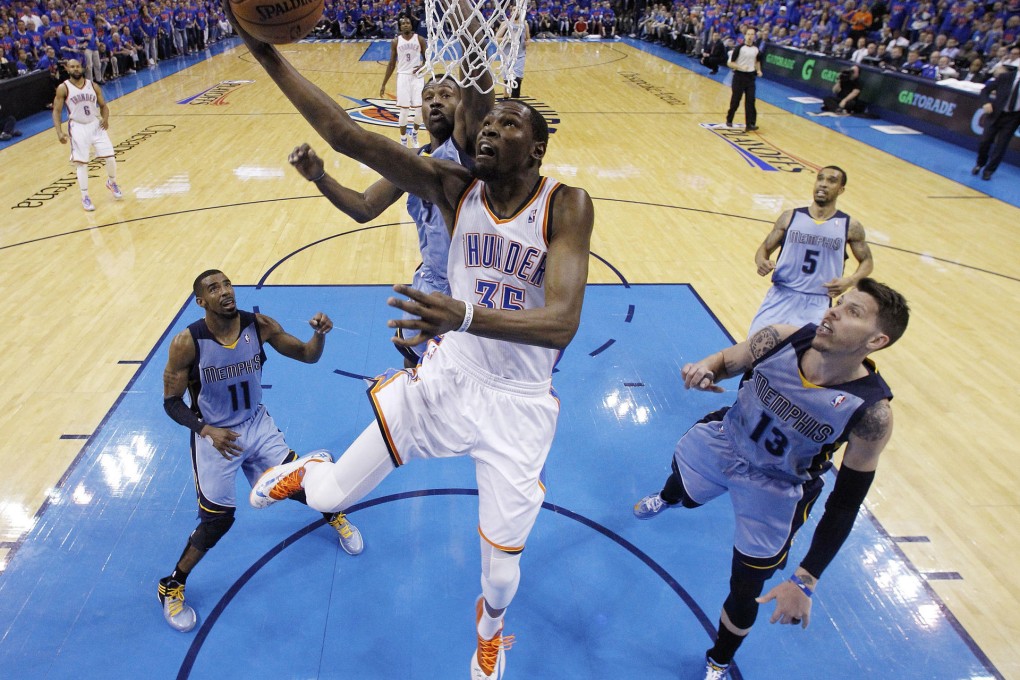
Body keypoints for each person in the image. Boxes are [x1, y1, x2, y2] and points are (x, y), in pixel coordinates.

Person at [224, 4, 595, 677]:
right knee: (333, 496)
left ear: (537, 149)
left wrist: (463, 316)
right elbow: (344, 135)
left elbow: (563, 320)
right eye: (487, 123)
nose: (490, 130)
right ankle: (305, 469)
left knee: (502, 577)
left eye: (509, 124)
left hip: (518, 403)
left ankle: (489, 633)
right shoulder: (452, 187)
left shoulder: (566, 204)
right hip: (448, 379)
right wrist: (263, 53)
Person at [633, 278, 910, 680]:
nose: (832, 310)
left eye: (853, 312)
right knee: (682, 482)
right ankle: (670, 498)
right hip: (725, 441)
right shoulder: (780, 338)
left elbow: (845, 502)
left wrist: (807, 578)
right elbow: (727, 361)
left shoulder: (871, 413)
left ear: (877, 340)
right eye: (839, 302)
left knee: (746, 587)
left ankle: (720, 658)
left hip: (777, 489)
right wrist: (705, 368)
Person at [158, 269, 364, 632]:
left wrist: (318, 335)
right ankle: (171, 585)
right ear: (201, 301)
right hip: (215, 435)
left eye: (226, 283)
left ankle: (333, 514)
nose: (225, 292)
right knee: (217, 521)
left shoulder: (260, 325)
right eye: (213, 288)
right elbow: (172, 403)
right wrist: (206, 430)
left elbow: (307, 355)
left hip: (256, 423)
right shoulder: (187, 343)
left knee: (302, 482)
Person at [288, 72, 492, 367]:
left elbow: (477, 95)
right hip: (430, 284)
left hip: (472, 288)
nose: (436, 101)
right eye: (428, 96)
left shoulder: (466, 149)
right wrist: (319, 176)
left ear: (462, 106)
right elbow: (364, 206)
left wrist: (470, 33)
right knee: (415, 378)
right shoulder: (414, 161)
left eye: (446, 95)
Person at [749, 166, 874, 335]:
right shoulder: (790, 217)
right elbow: (764, 248)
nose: (823, 184)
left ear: (841, 189)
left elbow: (867, 262)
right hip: (781, 294)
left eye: (831, 181)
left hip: (818, 302)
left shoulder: (850, 226)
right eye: (820, 179)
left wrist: (850, 281)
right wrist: (761, 262)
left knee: (803, 357)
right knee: (753, 349)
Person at [52, 58, 122, 212]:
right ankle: (85, 196)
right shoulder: (63, 88)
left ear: (82, 68)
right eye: (72, 67)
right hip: (77, 127)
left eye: (78, 66)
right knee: (81, 163)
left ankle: (112, 182)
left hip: (95, 124)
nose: (76, 69)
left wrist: (106, 119)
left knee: (110, 157)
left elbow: (103, 106)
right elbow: (56, 111)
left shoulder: (93, 85)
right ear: (68, 69)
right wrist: (59, 132)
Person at [379, 17, 426, 147]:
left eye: (407, 23)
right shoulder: (395, 42)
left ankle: (414, 133)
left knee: (419, 111)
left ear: (411, 25)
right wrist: (384, 84)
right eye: (403, 23)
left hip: (417, 77)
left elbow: (428, 59)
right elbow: (391, 63)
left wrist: (422, 66)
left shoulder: (420, 40)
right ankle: (403, 139)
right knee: (404, 111)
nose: (405, 25)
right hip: (403, 77)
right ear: (400, 27)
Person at [972, 65, 1020, 180]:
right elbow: (985, 90)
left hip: (1014, 117)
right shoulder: (1005, 77)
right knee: (985, 141)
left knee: (1001, 145)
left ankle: (989, 170)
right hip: (997, 113)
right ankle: (980, 163)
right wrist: (986, 102)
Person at [726, 27, 762, 130]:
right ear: (745, 36)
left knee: (751, 100)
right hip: (739, 76)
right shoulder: (739, 48)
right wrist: (741, 67)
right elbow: (731, 63)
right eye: (748, 34)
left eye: (752, 34)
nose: (750, 36)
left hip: (750, 77)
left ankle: (750, 123)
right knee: (736, 100)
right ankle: (730, 118)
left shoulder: (756, 49)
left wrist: (758, 70)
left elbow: (757, 61)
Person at [496, 15, 529, 98]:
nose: (516, 11)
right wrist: (507, 39)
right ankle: (506, 99)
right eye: (514, 9)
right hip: (507, 55)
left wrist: (527, 42)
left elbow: (528, 38)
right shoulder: (505, 24)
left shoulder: (524, 24)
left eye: (518, 10)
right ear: (511, 12)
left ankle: (515, 101)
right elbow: (497, 39)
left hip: (519, 55)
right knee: (507, 81)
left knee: (517, 79)